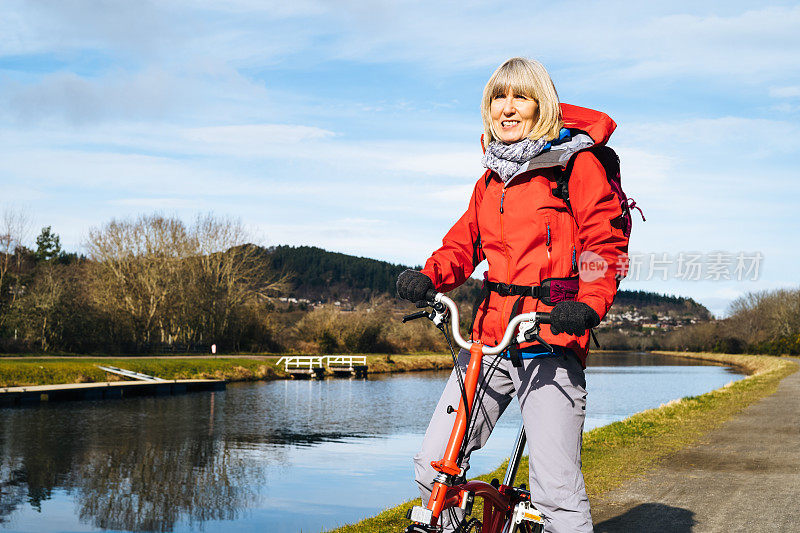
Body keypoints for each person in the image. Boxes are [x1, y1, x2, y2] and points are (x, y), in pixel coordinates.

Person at [396, 57, 628, 533]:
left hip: (550, 333)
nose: (507, 108)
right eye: (498, 97)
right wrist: (431, 277)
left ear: (541, 104)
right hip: (489, 337)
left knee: (557, 491)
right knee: (433, 466)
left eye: (520, 96)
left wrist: (588, 305)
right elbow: (463, 244)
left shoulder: (576, 166)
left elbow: (604, 244)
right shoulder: (489, 179)